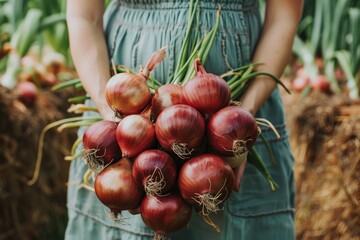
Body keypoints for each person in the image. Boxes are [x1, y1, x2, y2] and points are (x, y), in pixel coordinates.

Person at [65, 0, 303, 239]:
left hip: (245, 100)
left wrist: (241, 118)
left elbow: (283, 18)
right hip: (119, 104)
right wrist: (111, 116)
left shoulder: (238, 122)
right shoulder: (117, 119)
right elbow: (84, 17)